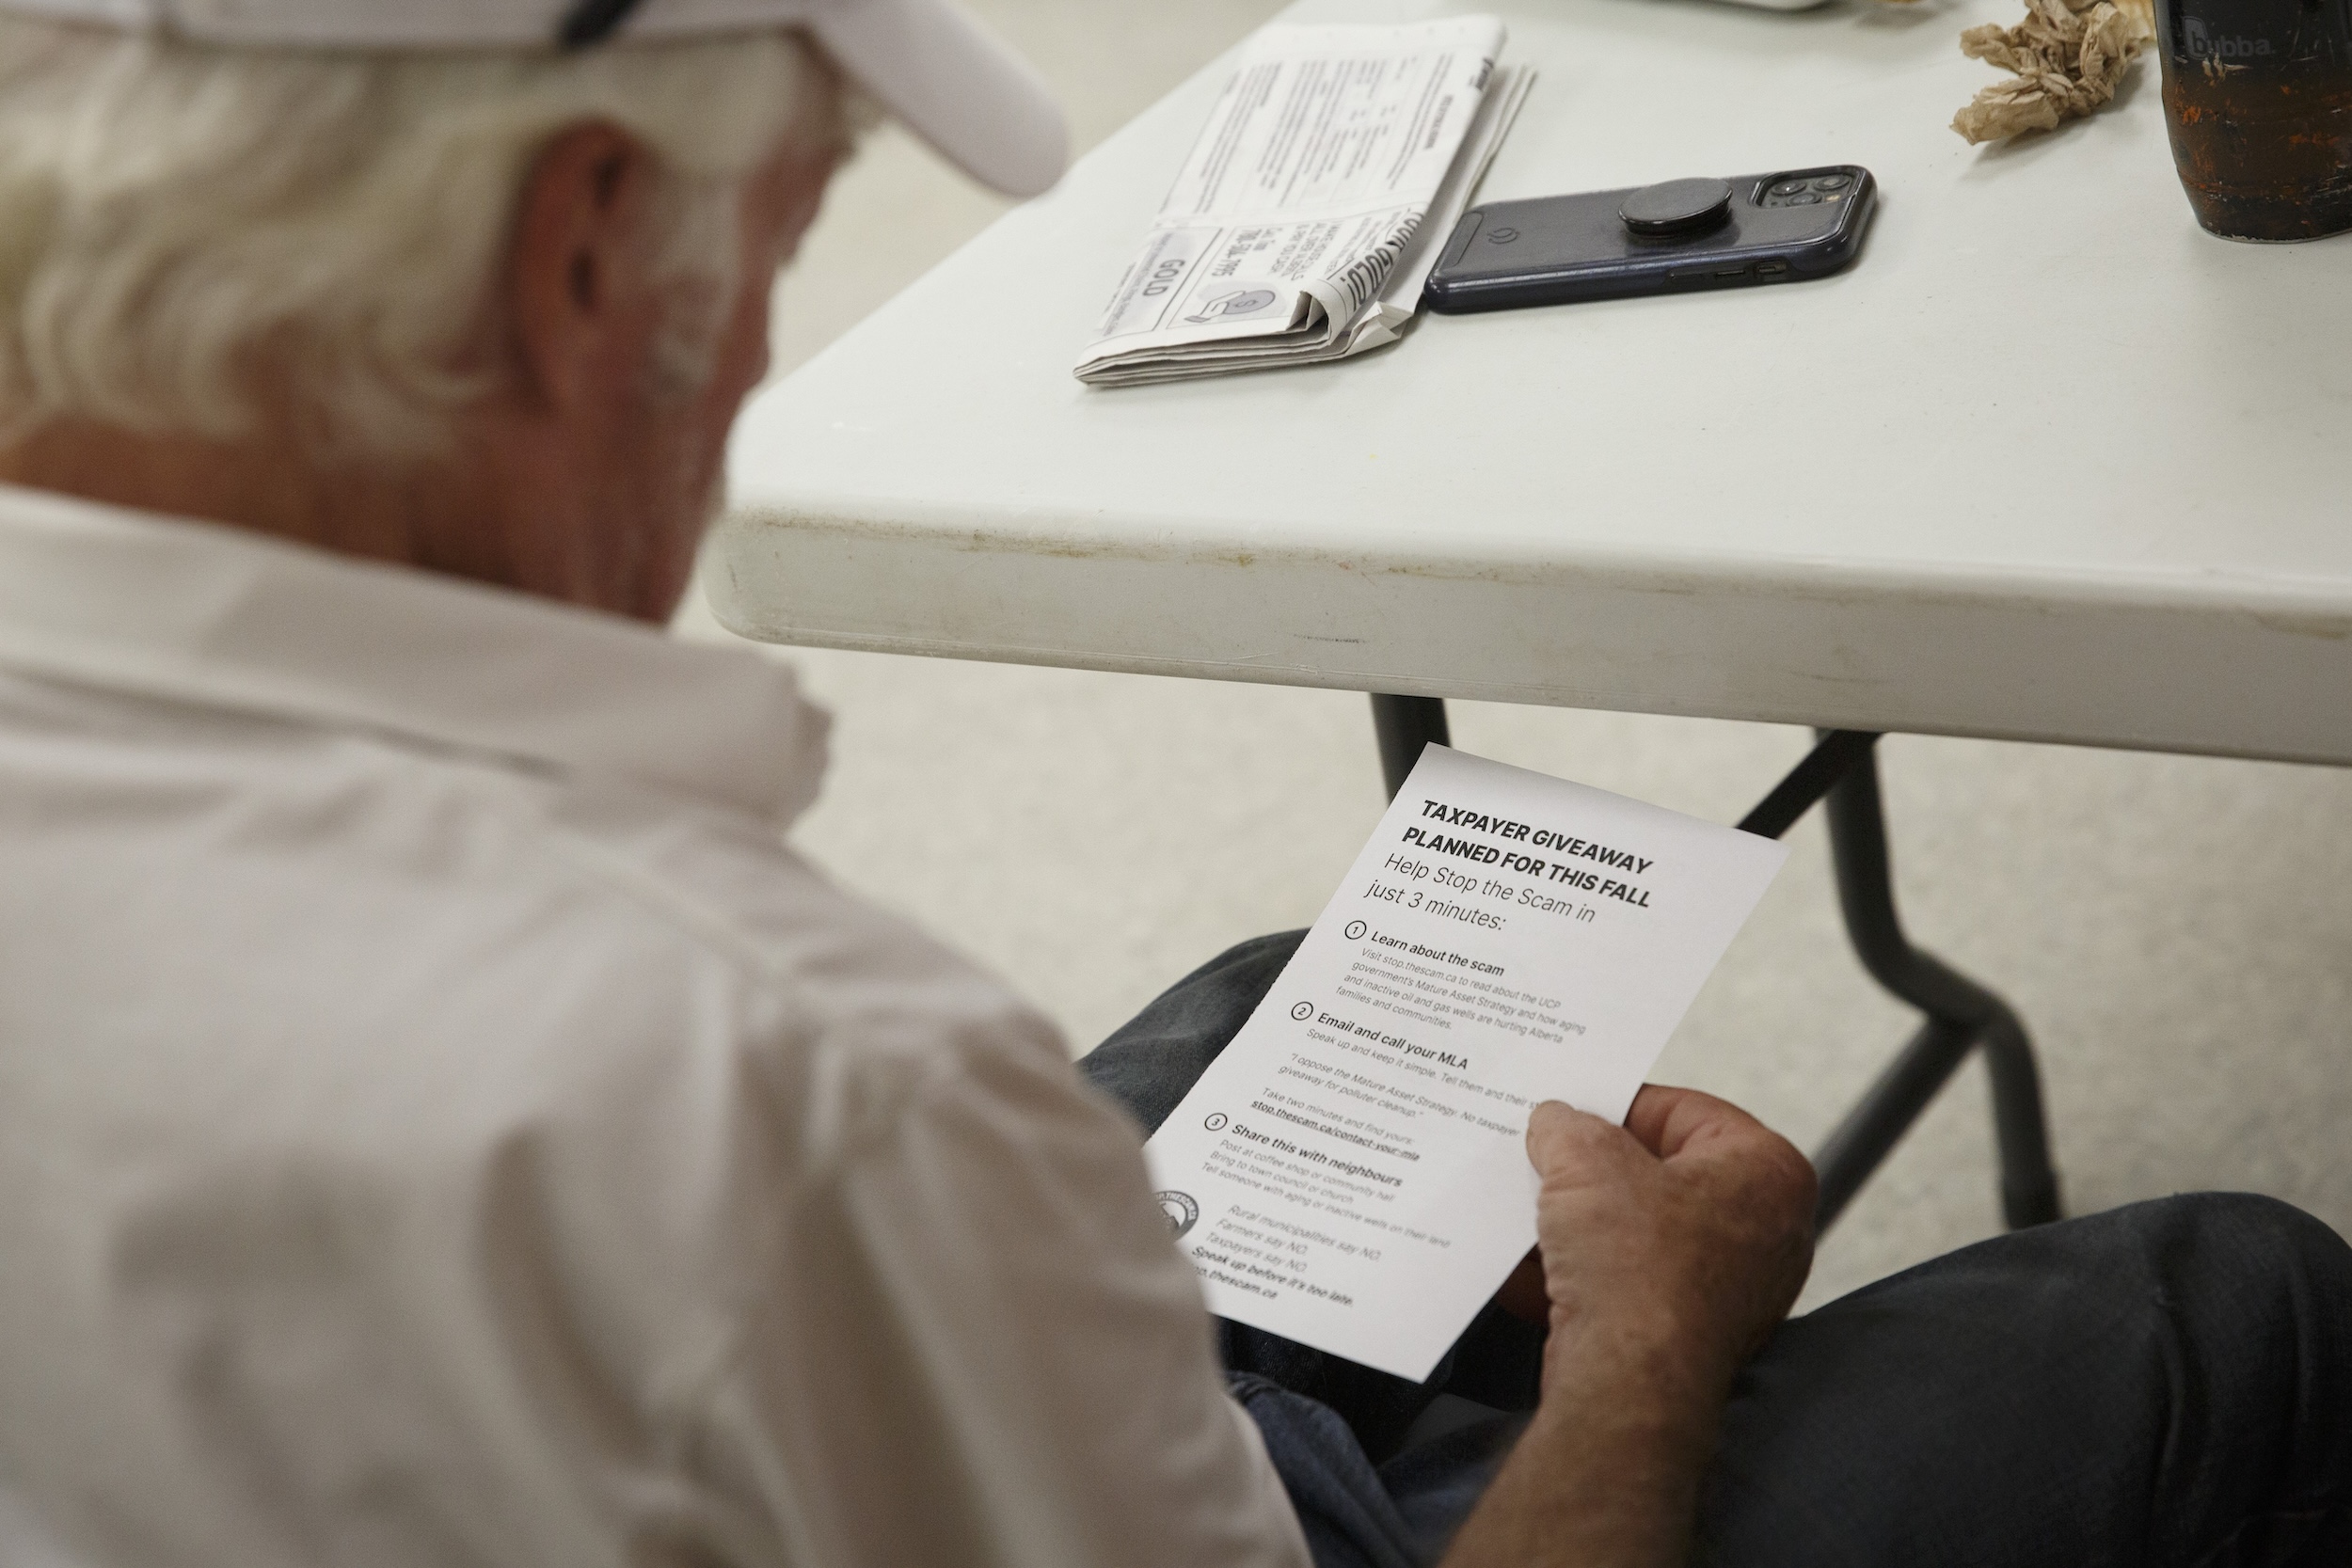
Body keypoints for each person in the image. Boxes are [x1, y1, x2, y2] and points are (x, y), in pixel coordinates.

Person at [0, 5, 2343, 1567]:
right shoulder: (770, 1079)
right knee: (2233, 1296)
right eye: (783, 245)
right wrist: (1655, 1337)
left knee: (1279, 1005)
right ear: (587, 256)